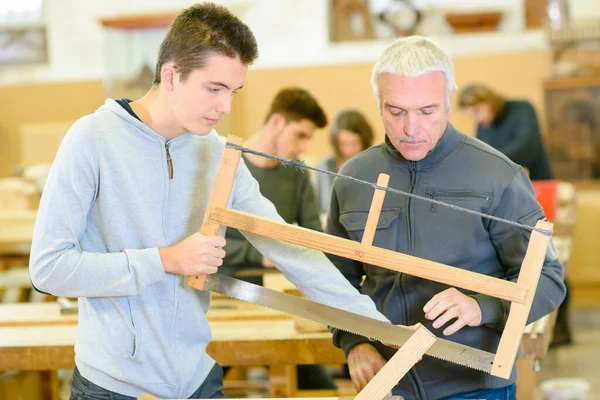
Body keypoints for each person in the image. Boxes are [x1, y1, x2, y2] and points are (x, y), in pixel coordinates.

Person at [28, 4, 392, 399]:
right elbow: (49, 268)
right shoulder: (92, 139)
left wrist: (377, 327)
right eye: (214, 89)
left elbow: (287, 246)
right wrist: (165, 260)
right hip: (113, 387)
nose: (226, 107)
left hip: (197, 382)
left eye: (233, 92)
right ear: (171, 75)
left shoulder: (216, 153)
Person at [326, 36, 566, 400]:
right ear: (378, 103)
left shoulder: (497, 174)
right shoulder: (354, 176)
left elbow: (548, 278)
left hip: (475, 385)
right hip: (389, 384)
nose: (411, 128)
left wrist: (480, 306)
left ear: (449, 101)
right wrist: (353, 341)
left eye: (427, 111)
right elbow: (335, 279)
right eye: (396, 111)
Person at [219, 86, 336, 390]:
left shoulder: (296, 175)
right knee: (199, 384)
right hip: (226, 298)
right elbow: (203, 240)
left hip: (281, 301)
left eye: (308, 138)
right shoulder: (228, 166)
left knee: (324, 390)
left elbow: (313, 235)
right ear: (275, 122)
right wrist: (258, 255)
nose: (303, 146)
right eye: (300, 135)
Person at [457, 83, 553, 181]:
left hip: (537, 180)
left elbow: (526, 147)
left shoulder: (522, 109)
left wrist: (486, 159)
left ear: (489, 101)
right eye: (471, 116)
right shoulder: (482, 123)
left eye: (476, 111)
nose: (476, 120)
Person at [313, 109, 374, 216]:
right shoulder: (326, 166)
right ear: (336, 142)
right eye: (343, 144)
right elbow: (313, 208)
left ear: (364, 140)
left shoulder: (374, 166)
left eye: (354, 143)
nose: (348, 150)